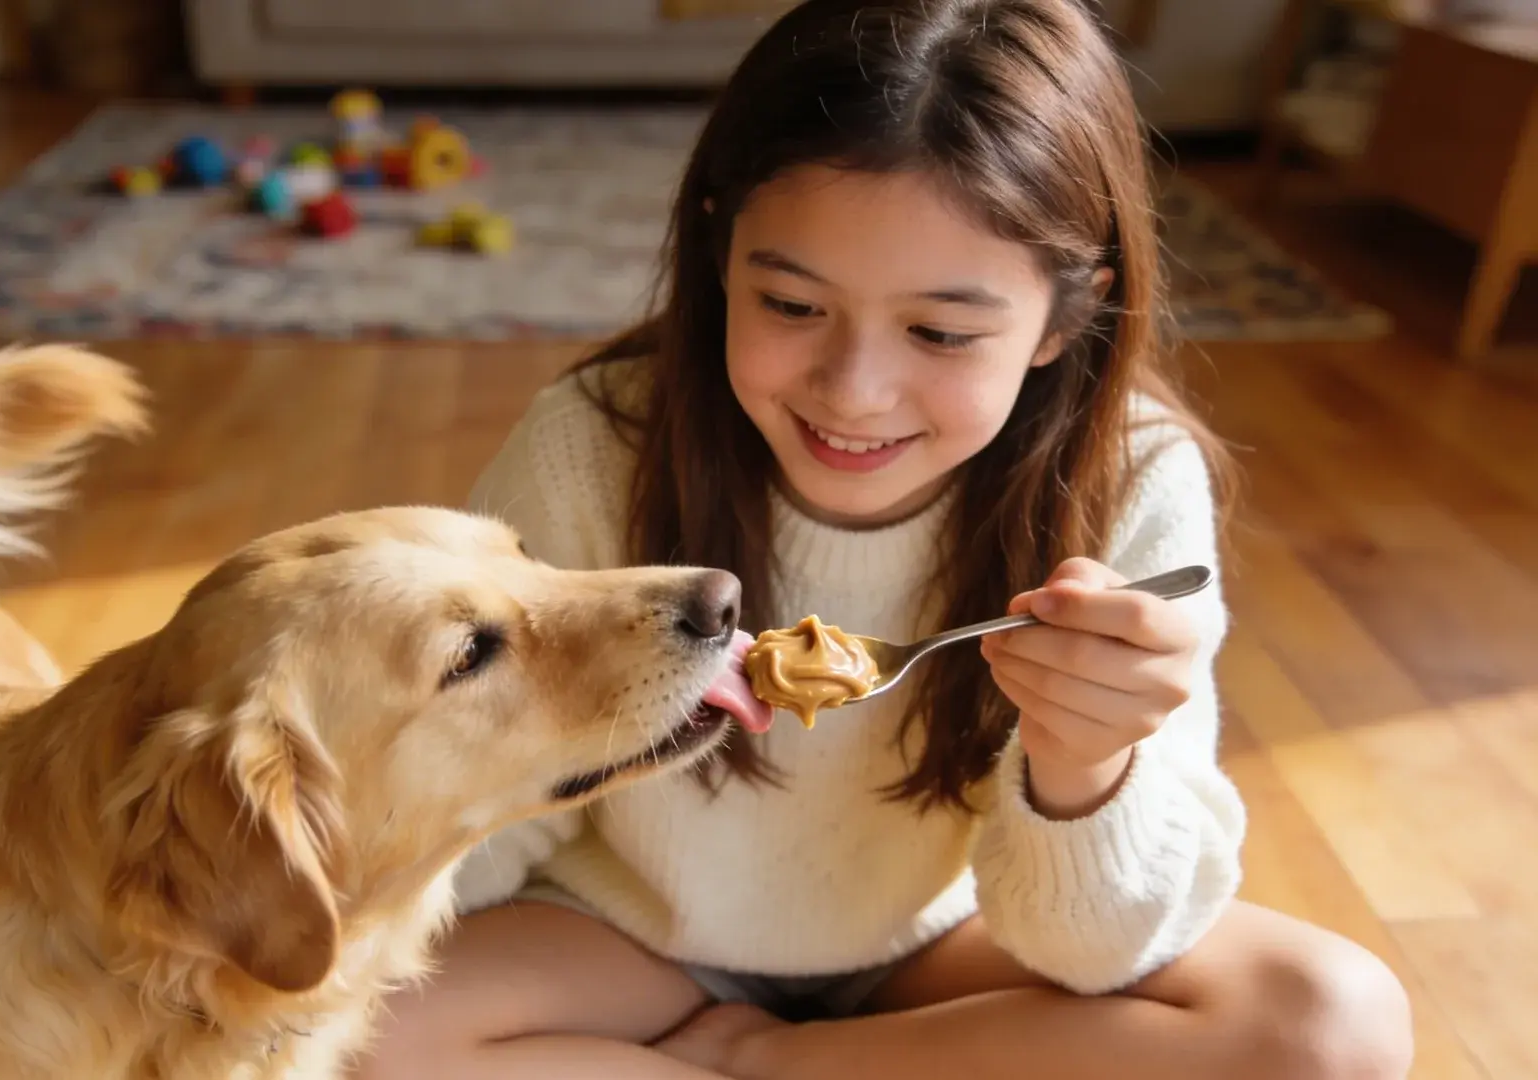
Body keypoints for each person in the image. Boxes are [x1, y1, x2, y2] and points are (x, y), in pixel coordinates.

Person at [351, 2, 1414, 1078]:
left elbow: (1089, 954)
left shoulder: (1130, 480)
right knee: (319, 1033)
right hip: (631, 934)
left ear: (1062, 317)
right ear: (721, 250)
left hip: (952, 940)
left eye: (941, 332)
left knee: (1334, 1024)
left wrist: (1085, 765)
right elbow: (487, 800)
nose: (854, 393)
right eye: (791, 304)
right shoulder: (596, 447)